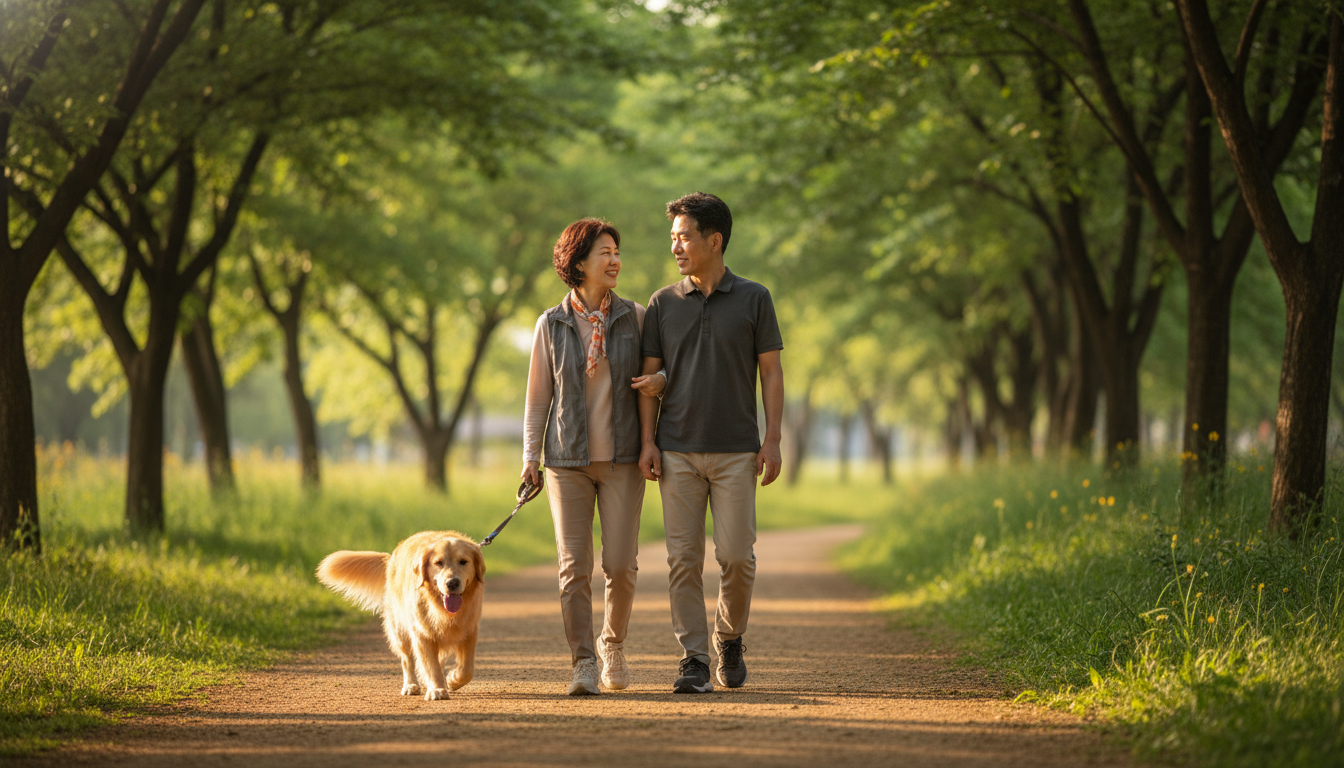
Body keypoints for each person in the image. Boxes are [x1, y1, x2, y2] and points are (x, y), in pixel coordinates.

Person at [638, 192, 784, 694]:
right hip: (676, 448)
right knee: (682, 559)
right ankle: (694, 658)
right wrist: (647, 443)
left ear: (714, 240)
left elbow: (771, 372)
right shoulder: (661, 303)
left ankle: (730, 636)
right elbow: (649, 379)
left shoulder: (754, 298)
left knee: (737, 556)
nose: (675, 245)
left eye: (685, 236)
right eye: (673, 236)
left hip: (738, 449)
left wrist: (774, 439)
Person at [522, 217, 666, 695]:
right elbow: (538, 398)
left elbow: (655, 381)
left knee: (622, 564)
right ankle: (583, 661)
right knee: (573, 567)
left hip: (624, 458)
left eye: (616, 252)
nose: (614, 260)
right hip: (567, 461)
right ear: (578, 262)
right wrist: (530, 459)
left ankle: (612, 643)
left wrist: (653, 427)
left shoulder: (636, 317)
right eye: (604, 252)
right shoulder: (551, 323)